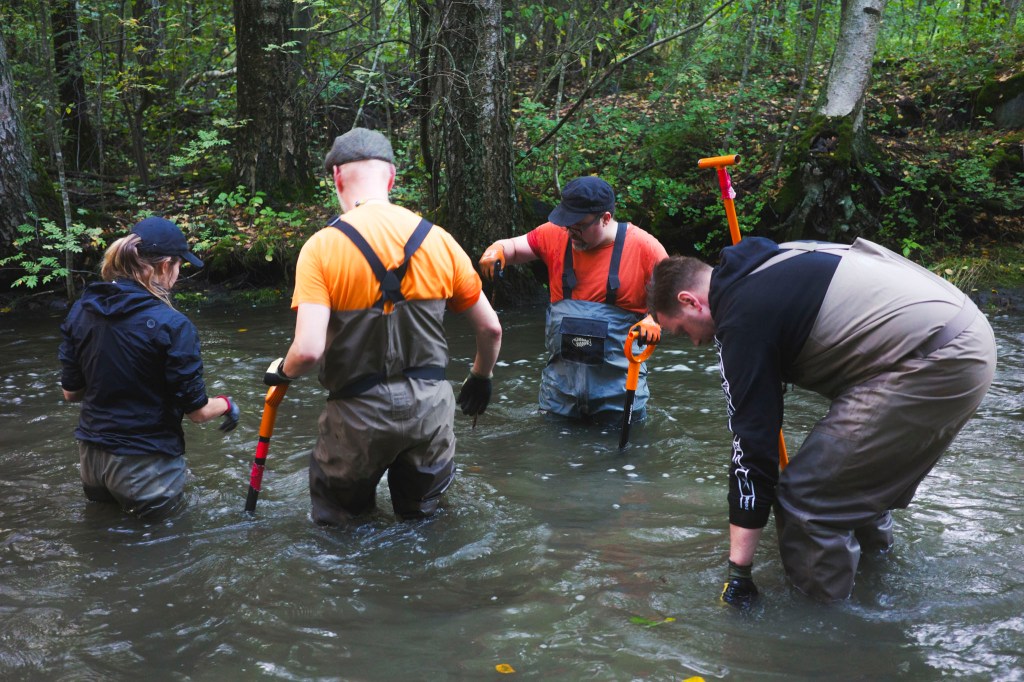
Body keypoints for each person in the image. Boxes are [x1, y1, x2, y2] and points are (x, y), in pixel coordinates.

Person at [647, 236, 996, 604]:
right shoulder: (770, 262)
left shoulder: (742, 318)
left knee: (807, 501)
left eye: (682, 330)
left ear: (690, 301)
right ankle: (876, 582)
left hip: (937, 358)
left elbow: (752, 448)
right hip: (961, 331)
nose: (694, 343)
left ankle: (824, 625)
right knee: (843, 481)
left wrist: (739, 573)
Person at [262, 127, 502, 525]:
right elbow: (491, 330)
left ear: (336, 176)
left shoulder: (321, 247)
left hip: (357, 415)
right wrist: (481, 376)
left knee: (342, 525)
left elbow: (307, 350)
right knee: (425, 523)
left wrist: (282, 372)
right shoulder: (440, 240)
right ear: (391, 176)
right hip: (431, 410)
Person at [59, 217, 240, 521]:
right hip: (146, 466)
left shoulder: (82, 310)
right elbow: (197, 412)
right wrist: (227, 404)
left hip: (92, 458)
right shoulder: (173, 325)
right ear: (166, 265)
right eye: (180, 265)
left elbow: (71, 392)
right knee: (167, 544)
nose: (178, 275)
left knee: (102, 536)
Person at [478, 176, 666, 422]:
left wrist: (654, 319)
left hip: (620, 398)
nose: (569, 232)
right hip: (559, 397)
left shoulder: (645, 248)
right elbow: (512, 247)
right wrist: (496, 250)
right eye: (566, 224)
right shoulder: (556, 234)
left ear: (605, 218)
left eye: (578, 226)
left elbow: (673, 297)